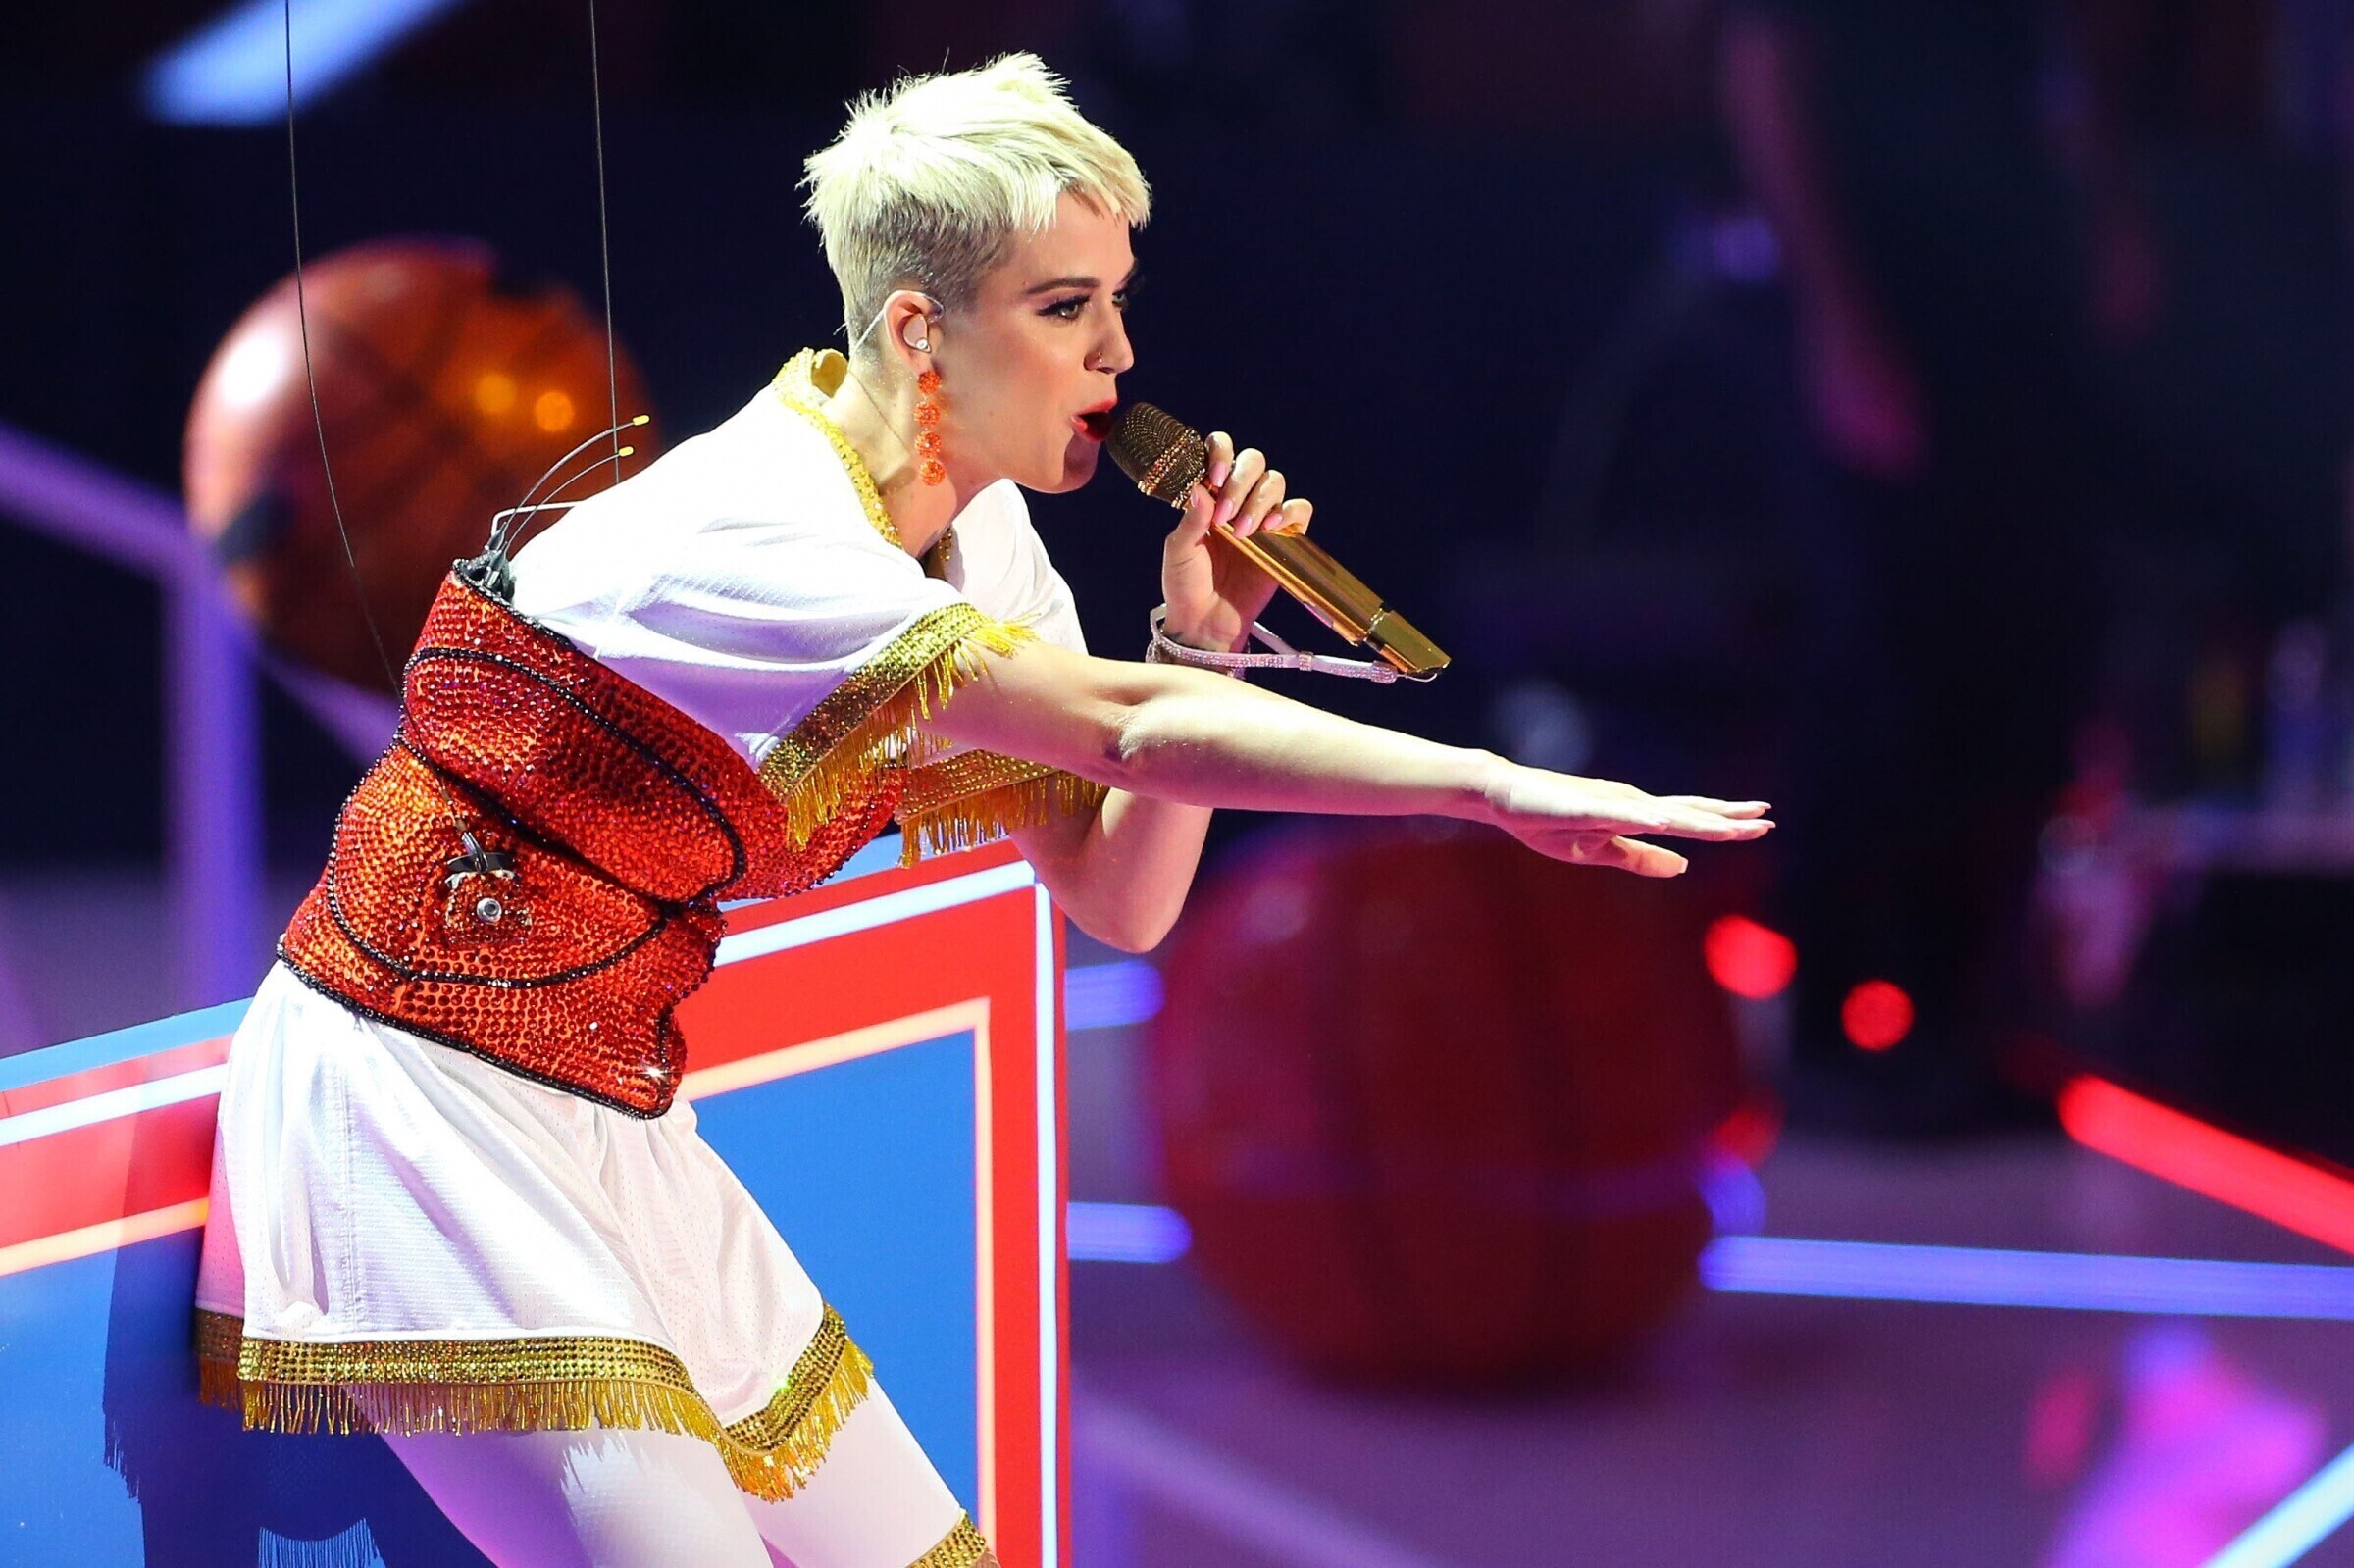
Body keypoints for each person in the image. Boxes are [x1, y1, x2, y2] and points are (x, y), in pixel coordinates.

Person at [193, 54, 1770, 1568]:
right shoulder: (755, 535)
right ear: (920, 332)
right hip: (415, 1087)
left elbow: (1120, 894)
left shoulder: (987, 541)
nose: (1118, 357)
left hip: (609, 1101)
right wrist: (1486, 784)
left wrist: (1203, 636)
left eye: (1118, 303)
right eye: (1065, 309)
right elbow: (1130, 732)